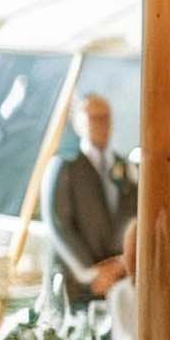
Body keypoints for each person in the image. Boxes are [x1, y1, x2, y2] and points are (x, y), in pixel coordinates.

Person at [42, 93, 135, 305]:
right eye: (93, 117)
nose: (100, 123)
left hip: (118, 279)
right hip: (77, 281)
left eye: (105, 117)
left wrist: (121, 264)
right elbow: (58, 224)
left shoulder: (125, 167)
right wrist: (89, 272)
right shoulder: (64, 165)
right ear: (77, 122)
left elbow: (131, 215)